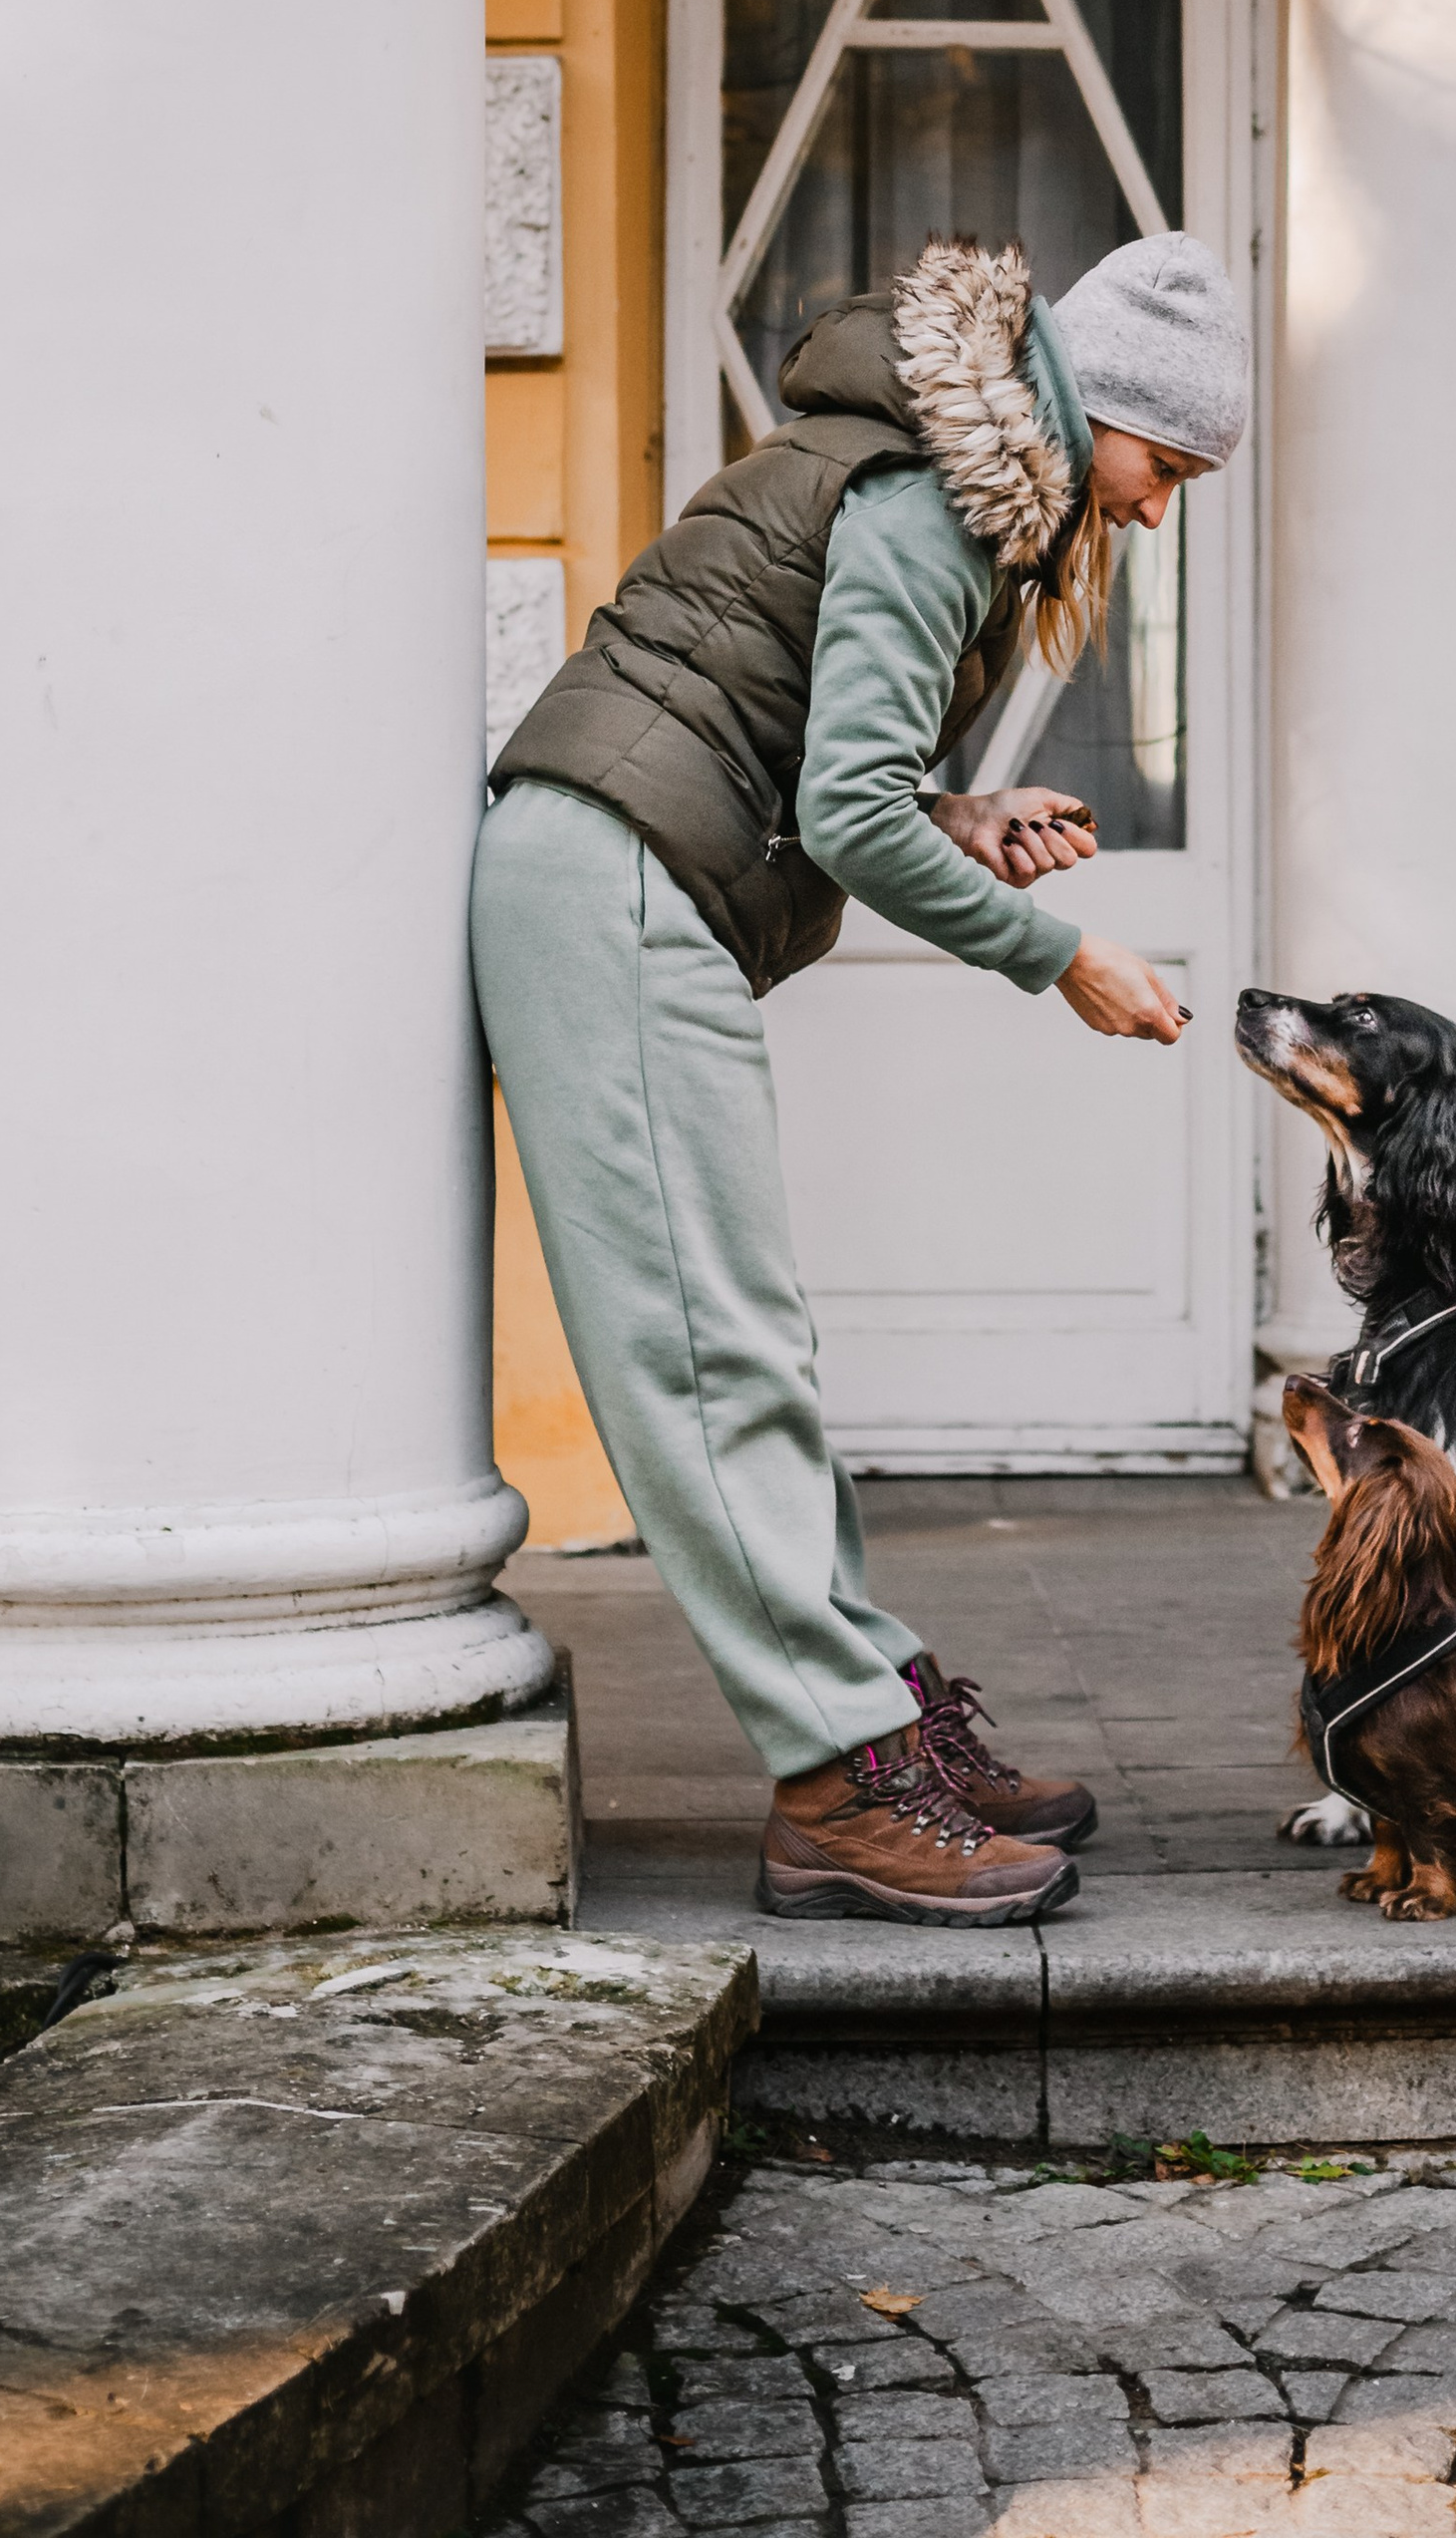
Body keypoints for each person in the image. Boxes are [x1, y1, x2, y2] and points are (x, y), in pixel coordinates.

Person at [471, 229, 1251, 1924]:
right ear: (1096, 407)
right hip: (611, 880)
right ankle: (836, 1784)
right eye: (1163, 464)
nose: (1154, 507)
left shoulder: (943, 464)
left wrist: (958, 814)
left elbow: (819, 752)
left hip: (633, 861)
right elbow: (841, 817)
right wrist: (1064, 963)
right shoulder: (937, 498)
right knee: (708, 1349)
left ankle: (875, 1711)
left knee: (749, 1335)